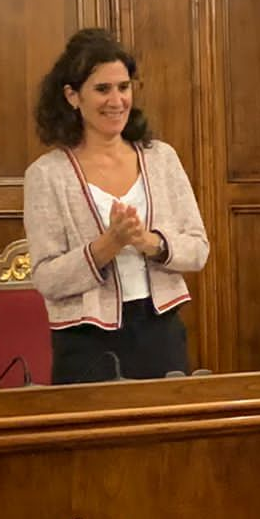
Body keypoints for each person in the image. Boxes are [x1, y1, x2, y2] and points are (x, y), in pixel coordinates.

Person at [23, 28, 210, 384]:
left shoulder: (162, 159)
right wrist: (108, 244)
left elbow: (198, 249)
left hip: (161, 333)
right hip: (86, 345)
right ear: (72, 96)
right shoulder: (47, 175)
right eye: (102, 89)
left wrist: (148, 242)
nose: (116, 100)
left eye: (123, 87)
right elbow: (46, 277)